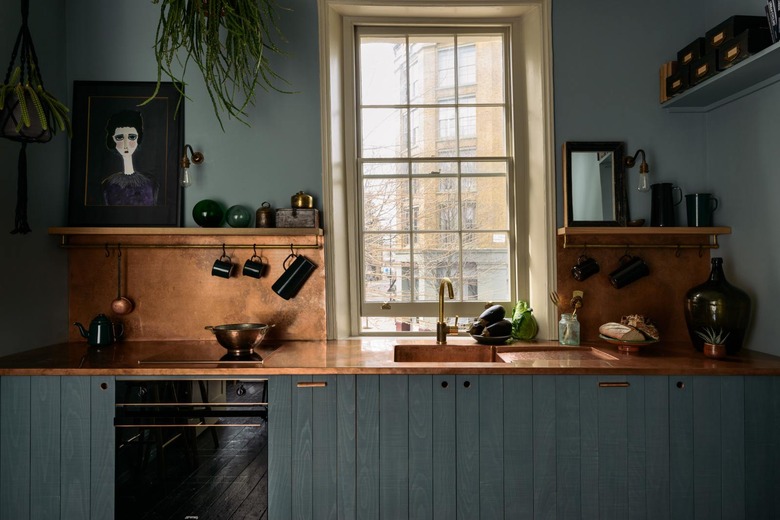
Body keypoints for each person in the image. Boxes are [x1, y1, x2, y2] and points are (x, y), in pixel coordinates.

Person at [101, 110, 158, 206]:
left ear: (138, 138)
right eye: (120, 138)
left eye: (132, 137)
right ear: (113, 139)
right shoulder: (108, 185)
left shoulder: (151, 183)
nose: (126, 144)